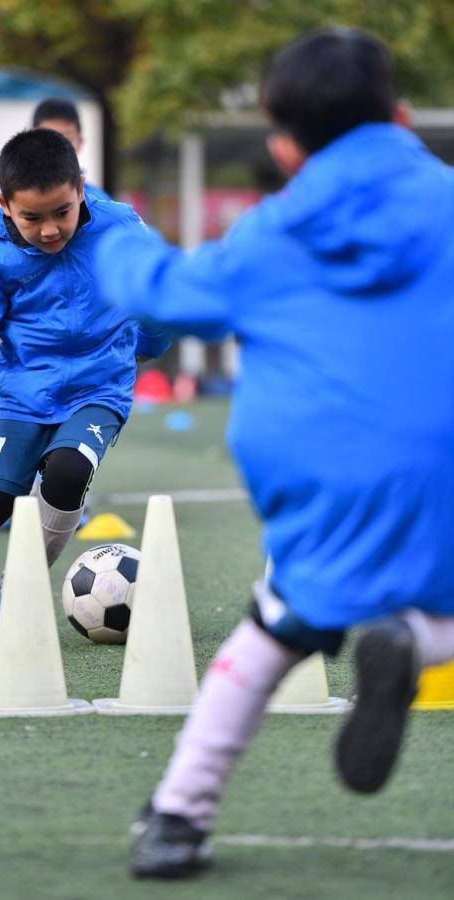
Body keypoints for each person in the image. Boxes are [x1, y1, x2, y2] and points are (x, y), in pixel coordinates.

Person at [94, 26, 454, 879]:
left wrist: (108, 231)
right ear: (401, 114)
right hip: (442, 467)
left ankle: (179, 817)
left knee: (272, 634)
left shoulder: (267, 238)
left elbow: (162, 294)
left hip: (317, 479)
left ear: (283, 143)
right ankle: (416, 639)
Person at [0, 127, 169, 646]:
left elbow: (155, 290)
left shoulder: (122, 231)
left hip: (99, 389)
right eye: (32, 217)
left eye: (61, 213)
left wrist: (150, 343)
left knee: (68, 473)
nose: (49, 230)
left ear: (81, 188)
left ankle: (19, 588)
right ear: (5, 205)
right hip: (24, 394)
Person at [32, 98, 110, 201]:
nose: (57, 147)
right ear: (32, 141)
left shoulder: (102, 202)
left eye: (67, 139)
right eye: (48, 138)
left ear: (80, 142)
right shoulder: (15, 199)